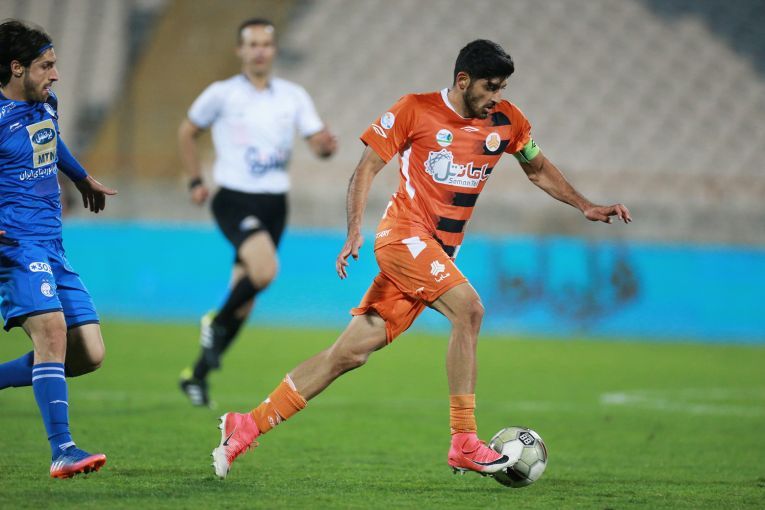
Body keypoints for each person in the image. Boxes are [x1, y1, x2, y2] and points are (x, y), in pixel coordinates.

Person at [210, 39, 632, 479]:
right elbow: (366, 168)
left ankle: (246, 424)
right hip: (403, 237)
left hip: (435, 254)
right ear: (463, 80)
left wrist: (585, 205)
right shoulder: (415, 109)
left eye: (502, 88)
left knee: (347, 354)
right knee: (469, 310)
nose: (497, 97)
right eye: (490, 87)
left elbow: (537, 167)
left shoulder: (507, 122)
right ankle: (464, 440)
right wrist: (354, 230)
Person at [178, 18, 337, 407]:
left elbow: (317, 142)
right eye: (252, 44)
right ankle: (214, 323)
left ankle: (195, 376)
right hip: (234, 198)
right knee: (264, 271)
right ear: (240, 50)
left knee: (245, 301)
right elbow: (187, 131)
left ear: (274, 50)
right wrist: (195, 180)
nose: (259, 51)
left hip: (275, 204)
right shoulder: (222, 93)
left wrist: (325, 146)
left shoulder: (293, 96)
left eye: (266, 44)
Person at [0, 19, 118, 478]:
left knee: (88, 352)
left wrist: (81, 176)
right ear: (16, 68)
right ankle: (63, 449)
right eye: (46, 65)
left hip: (52, 242)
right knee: (52, 332)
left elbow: (50, 140)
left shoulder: (45, 104)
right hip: (15, 245)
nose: (56, 74)